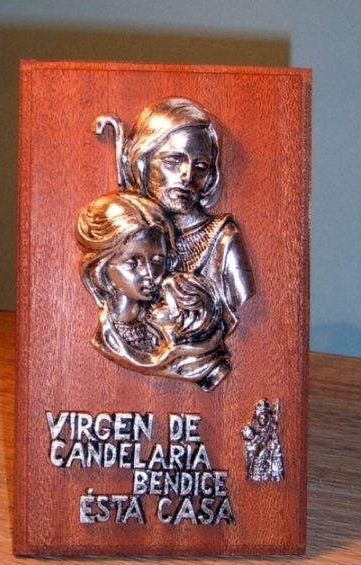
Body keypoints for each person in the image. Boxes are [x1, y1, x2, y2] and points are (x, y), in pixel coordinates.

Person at [121, 97, 255, 337]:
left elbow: (245, 307)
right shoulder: (127, 233)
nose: (187, 175)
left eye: (201, 166)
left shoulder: (222, 238)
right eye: (173, 160)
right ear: (143, 161)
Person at [76, 191, 229, 390]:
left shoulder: (175, 320)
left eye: (157, 260)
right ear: (100, 271)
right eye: (132, 262)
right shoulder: (107, 338)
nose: (150, 274)